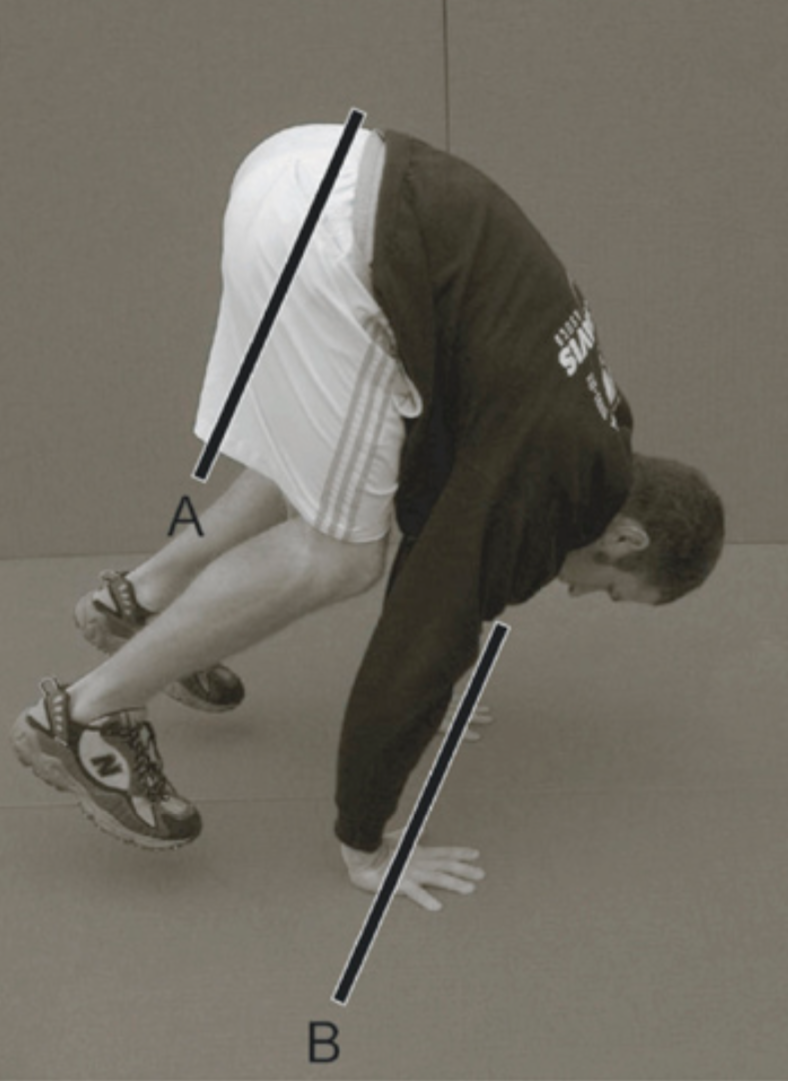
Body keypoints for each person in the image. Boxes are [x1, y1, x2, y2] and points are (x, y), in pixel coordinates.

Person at [11, 124, 724, 911]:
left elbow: (457, 501)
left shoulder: (599, 428)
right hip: (333, 242)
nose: (582, 593)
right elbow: (418, 643)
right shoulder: (548, 469)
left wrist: (455, 652)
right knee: (343, 554)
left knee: (339, 464)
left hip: (315, 166)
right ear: (627, 537)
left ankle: (146, 599)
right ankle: (87, 714)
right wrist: (368, 839)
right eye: (613, 587)